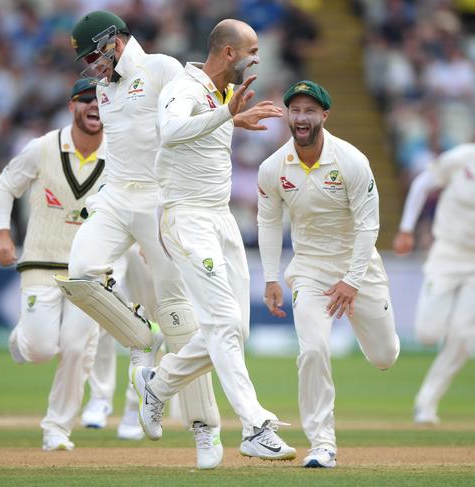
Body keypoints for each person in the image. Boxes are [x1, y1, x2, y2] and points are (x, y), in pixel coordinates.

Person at [55, 10, 224, 470]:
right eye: (86, 60)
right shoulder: (105, 90)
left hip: (159, 200)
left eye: (94, 54)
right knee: (81, 274)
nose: (92, 67)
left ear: (115, 41)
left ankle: (204, 429)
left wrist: (230, 120)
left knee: (177, 316)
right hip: (115, 196)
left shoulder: (163, 69)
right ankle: (139, 343)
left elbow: (203, 114)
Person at [132, 19, 297, 462]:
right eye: (252, 51)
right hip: (186, 220)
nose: (257, 59)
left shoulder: (222, 94)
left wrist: (230, 115)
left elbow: (200, 136)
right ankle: (254, 425)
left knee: (234, 329)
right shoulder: (184, 87)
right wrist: (227, 115)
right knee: (223, 323)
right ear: (228, 53)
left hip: (220, 219)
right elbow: (170, 131)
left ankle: (159, 384)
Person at [257, 80, 400, 468]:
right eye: (295, 110)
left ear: (324, 115)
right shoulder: (273, 168)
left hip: (359, 269)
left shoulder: (351, 161)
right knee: (314, 349)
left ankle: (374, 328)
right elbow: (268, 223)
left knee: (385, 357)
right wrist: (271, 277)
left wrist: (353, 281)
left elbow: (369, 226)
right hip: (310, 273)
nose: (301, 118)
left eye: (309, 111)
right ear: (287, 115)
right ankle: (322, 443)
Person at [0, 79, 107, 451]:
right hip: (42, 261)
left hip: (89, 271)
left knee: (75, 350)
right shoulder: (42, 148)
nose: (94, 106)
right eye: (86, 100)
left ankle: (57, 428)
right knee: (41, 349)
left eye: (102, 100)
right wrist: (2, 234)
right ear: (72, 106)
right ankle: (21, 340)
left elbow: (134, 204)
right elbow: (5, 185)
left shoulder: (119, 155)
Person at [392, 143, 475, 425]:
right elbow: (421, 185)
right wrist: (406, 228)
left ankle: (426, 403)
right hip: (447, 254)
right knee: (428, 334)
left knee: (462, 334)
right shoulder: (462, 158)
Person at [81, 244, 155, 441]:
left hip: (147, 238)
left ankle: (136, 406)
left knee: (150, 324)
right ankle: (100, 396)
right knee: (103, 308)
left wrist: (152, 237)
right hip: (114, 236)